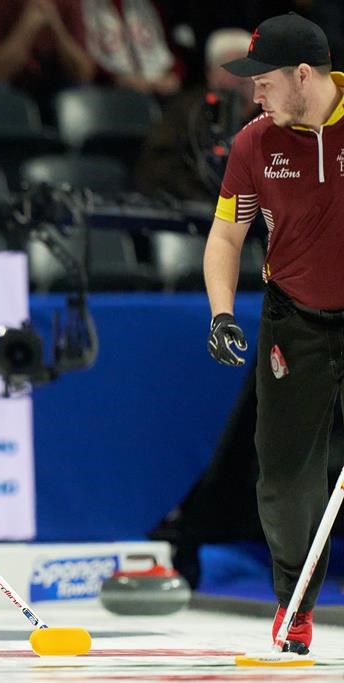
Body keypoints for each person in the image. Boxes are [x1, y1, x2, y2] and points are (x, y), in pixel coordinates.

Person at [203, 13, 344, 656]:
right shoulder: (255, 145)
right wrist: (222, 313)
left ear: (304, 75)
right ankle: (295, 606)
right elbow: (228, 235)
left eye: (262, 82)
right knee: (285, 481)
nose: (253, 94)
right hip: (295, 318)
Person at [136, 28, 259, 201]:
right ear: (211, 74)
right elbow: (157, 169)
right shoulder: (187, 112)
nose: (245, 78)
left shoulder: (276, 116)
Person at [0, 0, 95, 119]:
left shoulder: (69, 3)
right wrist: (27, 26)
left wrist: (57, 28)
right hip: (10, 88)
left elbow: (83, 74)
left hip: (54, 87)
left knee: (81, 97)